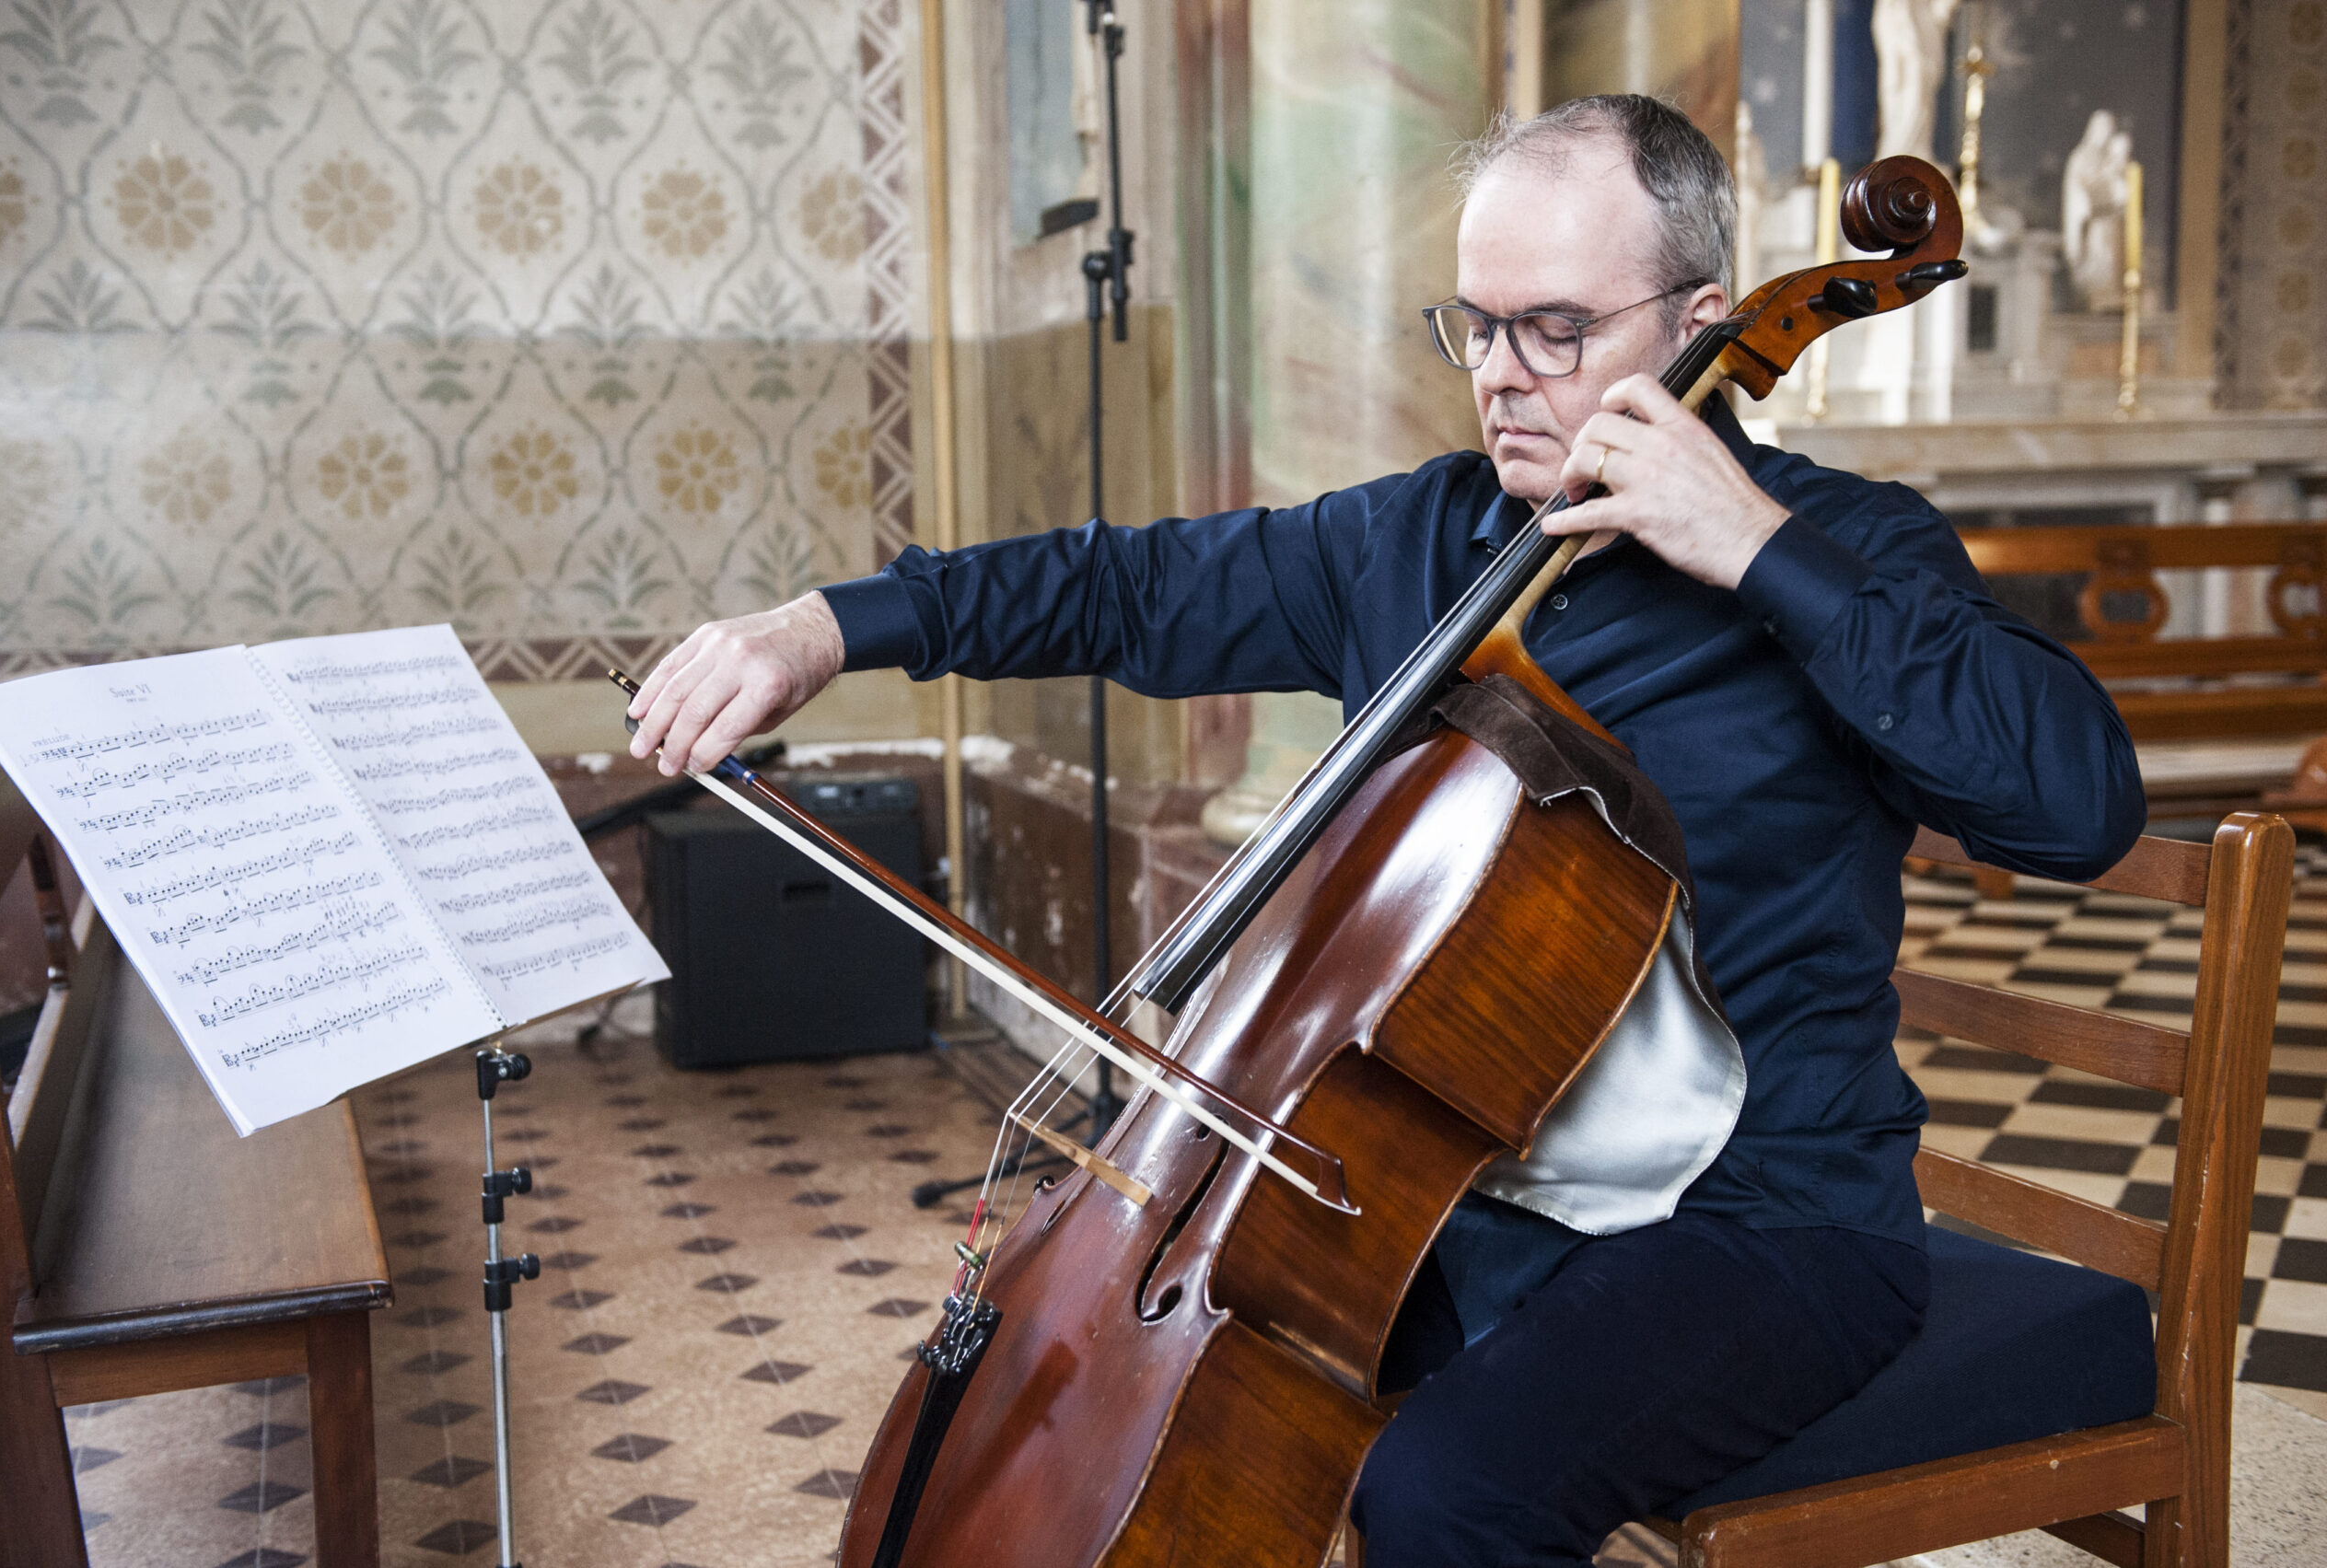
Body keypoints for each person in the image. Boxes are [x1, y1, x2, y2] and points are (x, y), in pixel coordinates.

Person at [627, 95, 2143, 1567]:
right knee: (1115, 1407)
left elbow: (2076, 805)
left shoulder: (1851, 549)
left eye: (1556, 329)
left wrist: (1755, 551)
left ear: (1700, 323)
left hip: (1768, 1222)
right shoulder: (1418, 542)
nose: (1500, 374)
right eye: (1475, 326)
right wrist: (825, 627)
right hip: (1460, 1183)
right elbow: (1126, 588)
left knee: (1445, 1496)